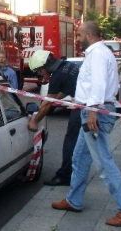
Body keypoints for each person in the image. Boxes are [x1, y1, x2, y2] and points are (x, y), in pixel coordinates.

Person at [51, 22, 121, 227]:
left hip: (96, 114)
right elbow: (92, 85)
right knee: (79, 158)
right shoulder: (97, 53)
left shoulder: (98, 54)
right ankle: (74, 200)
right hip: (92, 111)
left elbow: (99, 84)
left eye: (80, 34)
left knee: (103, 163)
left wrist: (92, 110)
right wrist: (81, 102)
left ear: (89, 35)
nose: (77, 38)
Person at [27, 50, 79, 187]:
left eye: (40, 70)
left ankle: (65, 177)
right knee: (81, 145)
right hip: (87, 105)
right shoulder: (67, 65)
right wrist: (51, 99)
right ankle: (75, 174)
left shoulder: (57, 75)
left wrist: (35, 121)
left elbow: (47, 105)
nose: (41, 74)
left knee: (70, 143)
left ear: (46, 65)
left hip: (82, 108)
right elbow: (66, 89)